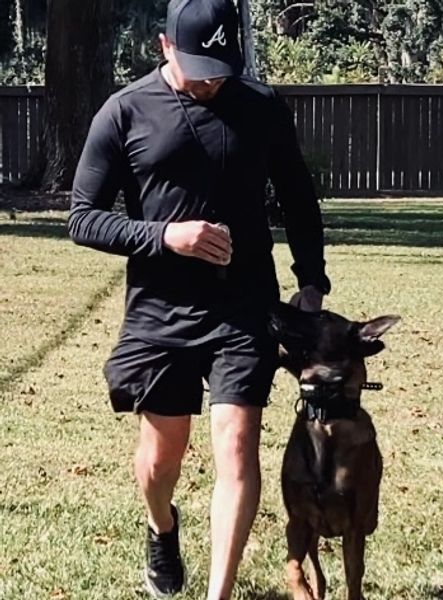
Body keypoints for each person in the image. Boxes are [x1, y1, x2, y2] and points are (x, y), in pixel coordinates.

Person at [68, 0, 330, 597]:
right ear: (165, 46)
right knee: (162, 460)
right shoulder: (125, 111)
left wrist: (311, 280)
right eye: (199, 69)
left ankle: (219, 592)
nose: (211, 82)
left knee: (237, 446)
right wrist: (167, 236)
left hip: (244, 305)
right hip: (161, 310)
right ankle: (162, 526)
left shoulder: (261, 106)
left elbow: (298, 198)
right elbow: (82, 218)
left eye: (221, 70)